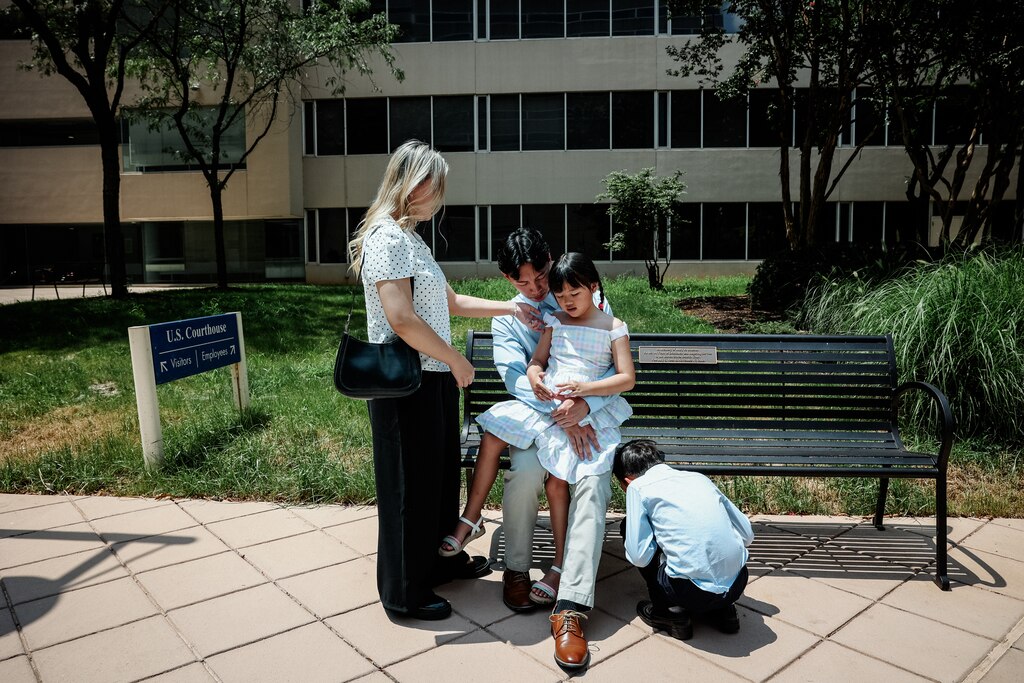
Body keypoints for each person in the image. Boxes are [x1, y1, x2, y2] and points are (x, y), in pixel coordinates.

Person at [348, 140, 542, 621]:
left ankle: (438, 564)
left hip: (429, 376)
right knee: (407, 488)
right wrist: (457, 359)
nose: (439, 194)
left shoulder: (410, 237)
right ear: (411, 184)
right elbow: (401, 319)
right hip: (406, 380)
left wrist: (513, 307)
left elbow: (450, 302)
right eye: (434, 184)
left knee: (436, 478)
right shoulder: (386, 237)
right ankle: (404, 592)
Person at [439, 252, 635, 613]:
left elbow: (623, 377)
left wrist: (585, 405)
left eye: (541, 279)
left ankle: (568, 582)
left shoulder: (602, 314)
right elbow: (528, 369)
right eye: (523, 282)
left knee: (581, 483)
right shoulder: (544, 318)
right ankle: (515, 566)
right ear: (507, 278)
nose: (541, 291)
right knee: (528, 469)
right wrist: (540, 383)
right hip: (547, 411)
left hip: (589, 412)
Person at [613, 439, 754, 640]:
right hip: (737, 584)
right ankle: (723, 610)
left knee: (629, 526)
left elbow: (639, 557)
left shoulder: (638, 487)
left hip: (690, 593)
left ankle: (669, 612)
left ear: (627, 481)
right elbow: (747, 535)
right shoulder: (698, 478)